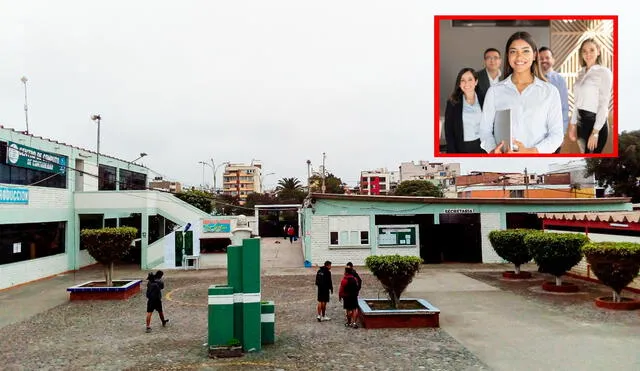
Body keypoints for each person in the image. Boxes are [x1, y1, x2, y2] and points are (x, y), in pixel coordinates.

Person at [479, 31, 564, 154]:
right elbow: (485, 131)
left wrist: (531, 152)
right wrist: (493, 150)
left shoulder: (550, 92)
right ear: (508, 56)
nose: (519, 57)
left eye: (525, 51)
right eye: (513, 52)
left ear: (535, 55)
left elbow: (556, 135)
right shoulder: (494, 92)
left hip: (537, 163)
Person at [568, 38, 613, 154]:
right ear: (581, 54)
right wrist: (573, 124)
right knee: (585, 156)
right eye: (584, 51)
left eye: (592, 50)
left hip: (596, 122)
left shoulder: (604, 72)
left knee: (592, 160)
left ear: (598, 51)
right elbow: (577, 102)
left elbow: (603, 104)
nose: (588, 54)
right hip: (580, 123)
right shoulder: (581, 73)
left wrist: (595, 132)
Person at [444, 67, 486, 153]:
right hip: (462, 147)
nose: (466, 83)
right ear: (459, 84)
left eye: (470, 79)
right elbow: (449, 131)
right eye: (462, 80)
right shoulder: (452, 102)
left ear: (476, 82)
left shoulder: (485, 99)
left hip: (483, 146)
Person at [538, 46, 569, 153]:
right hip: (536, 136)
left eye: (547, 57)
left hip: (554, 134)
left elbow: (564, 108)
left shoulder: (560, 80)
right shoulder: (532, 80)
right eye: (541, 58)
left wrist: (562, 133)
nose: (544, 60)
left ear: (553, 60)